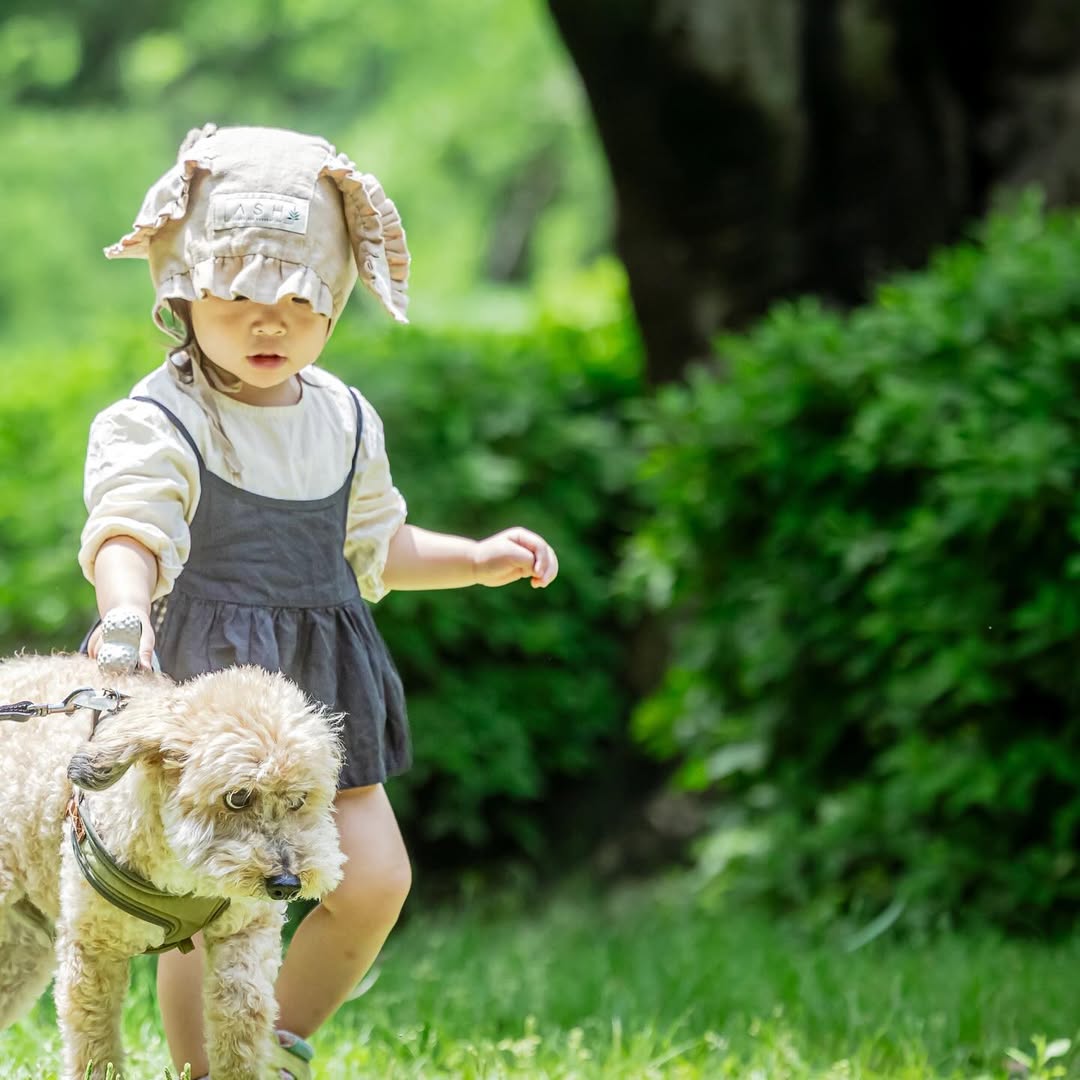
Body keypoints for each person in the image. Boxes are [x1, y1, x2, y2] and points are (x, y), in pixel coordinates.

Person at [79, 123, 559, 1080]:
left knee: (376, 878)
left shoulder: (341, 417)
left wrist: (474, 557)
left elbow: (376, 541)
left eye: (302, 301)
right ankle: (207, 1068)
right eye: (243, 296)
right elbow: (131, 526)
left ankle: (276, 1038)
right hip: (206, 696)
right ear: (183, 288)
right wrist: (124, 617)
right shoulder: (161, 417)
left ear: (336, 303)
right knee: (206, 910)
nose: (272, 323)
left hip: (323, 690)